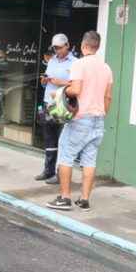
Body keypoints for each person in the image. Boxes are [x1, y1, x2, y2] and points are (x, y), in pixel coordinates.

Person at [46, 31, 113, 211]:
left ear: (83, 46)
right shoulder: (106, 68)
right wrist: (101, 114)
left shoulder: (79, 64)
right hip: (98, 119)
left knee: (66, 155)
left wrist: (60, 92)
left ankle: (65, 198)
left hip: (80, 119)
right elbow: (108, 97)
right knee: (89, 160)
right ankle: (84, 200)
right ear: (97, 47)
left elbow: (75, 90)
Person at [35, 33, 77, 184]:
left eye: (59, 48)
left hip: (63, 103)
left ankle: (60, 174)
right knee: (49, 137)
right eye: (55, 48)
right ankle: (48, 170)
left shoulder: (75, 63)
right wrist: (44, 81)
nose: (57, 51)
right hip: (49, 102)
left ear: (67, 45)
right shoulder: (52, 61)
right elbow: (45, 82)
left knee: (62, 139)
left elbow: (76, 85)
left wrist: (61, 82)